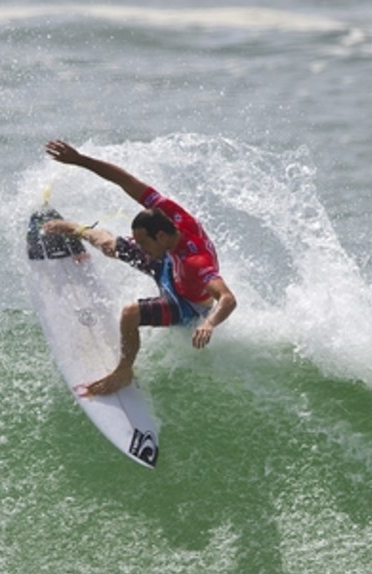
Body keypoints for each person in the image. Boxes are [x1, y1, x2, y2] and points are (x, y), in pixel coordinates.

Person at [41, 140, 237, 396]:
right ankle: (76, 229)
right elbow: (127, 182)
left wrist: (209, 324)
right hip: (169, 264)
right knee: (113, 246)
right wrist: (80, 160)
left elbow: (227, 298)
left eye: (144, 242)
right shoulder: (172, 217)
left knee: (130, 313)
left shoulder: (195, 261)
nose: (141, 248)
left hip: (187, 304)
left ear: (161, 237)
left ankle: (124, 371)